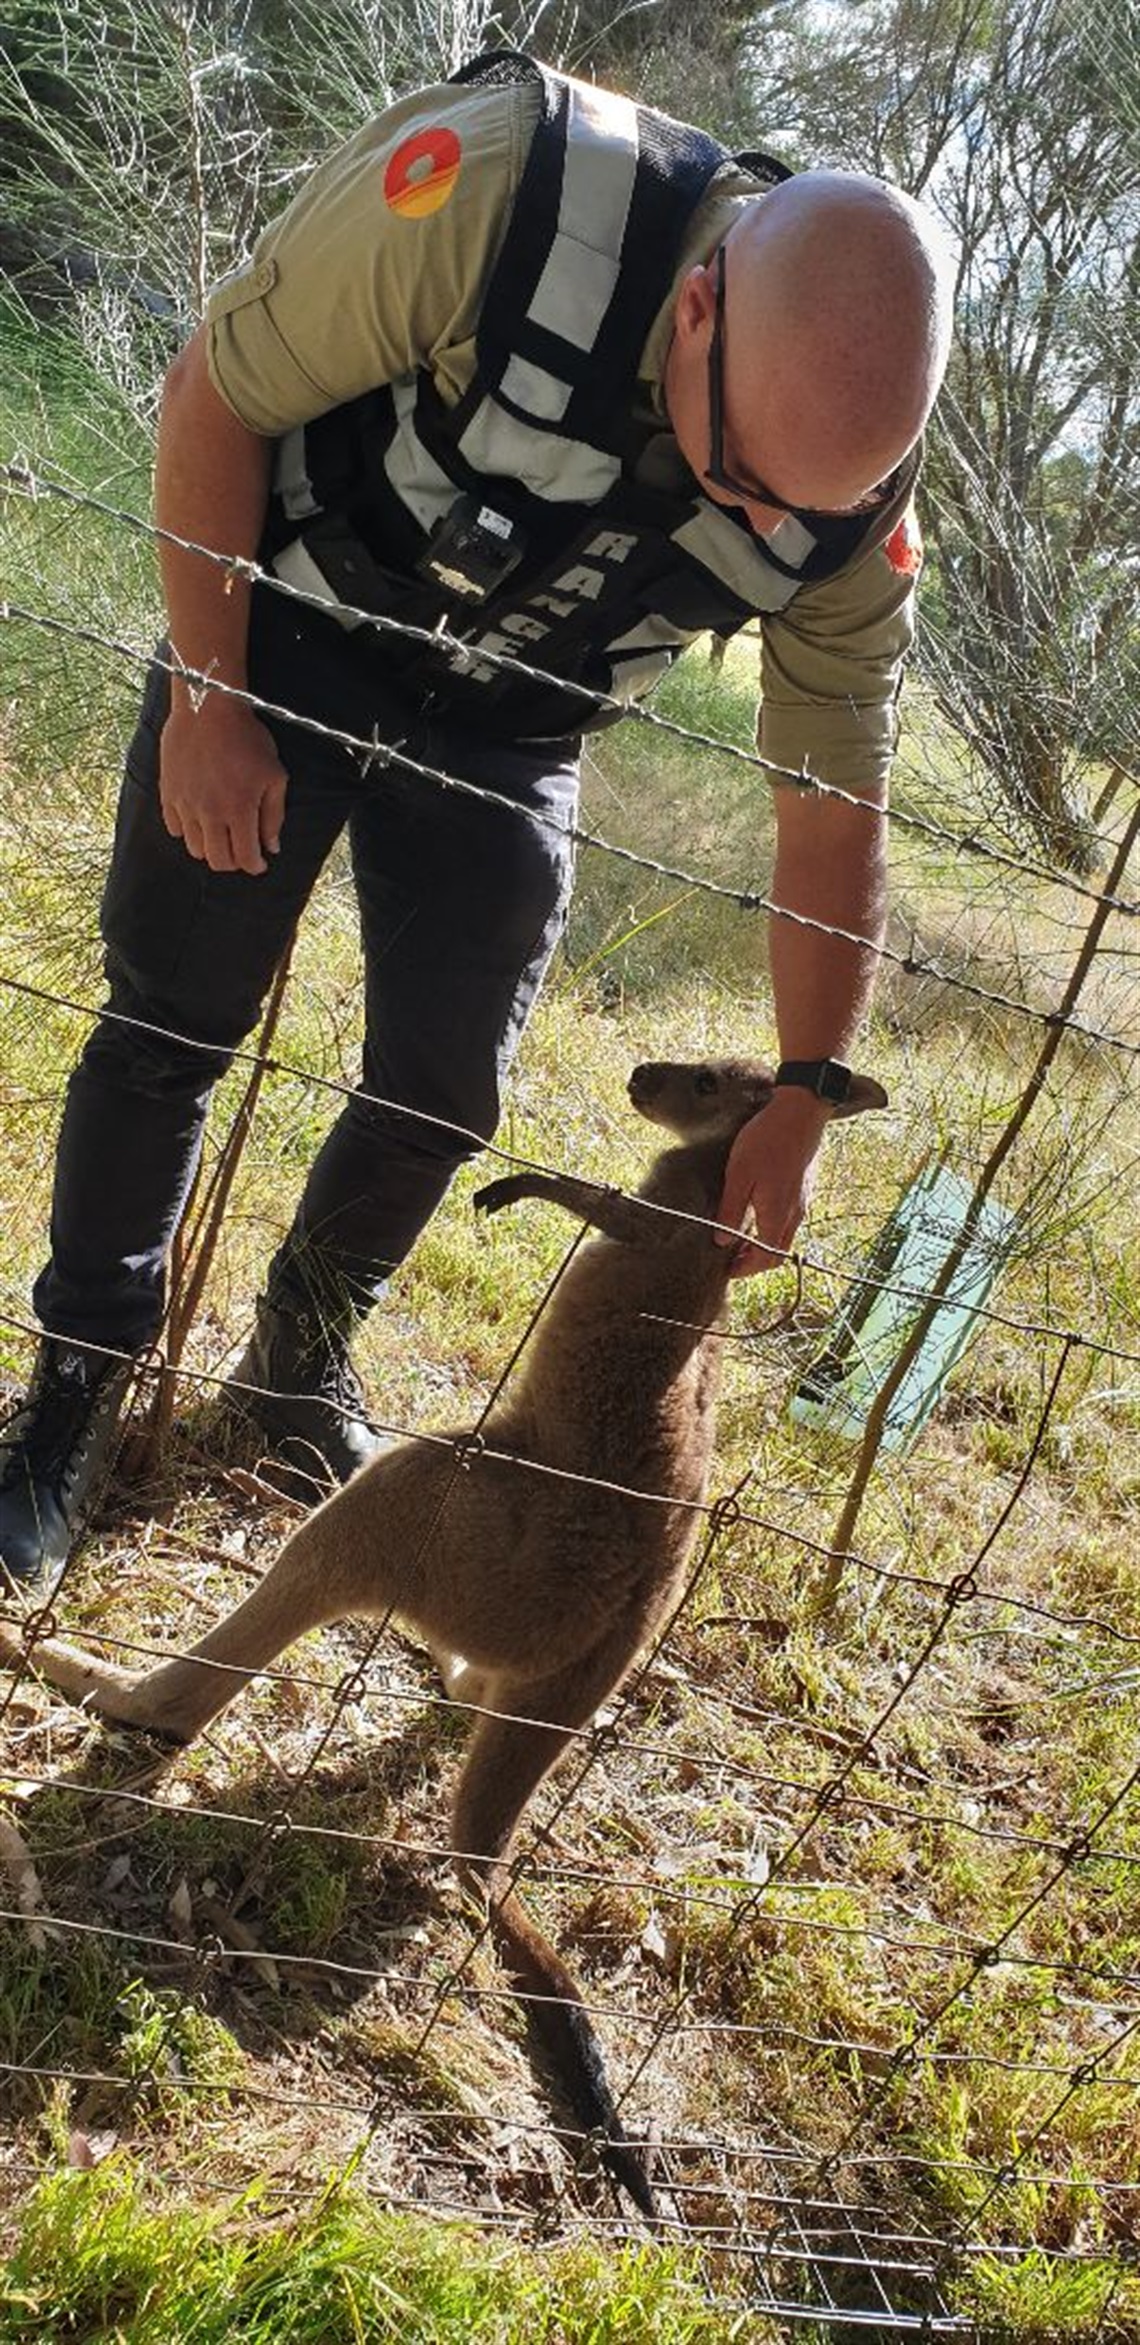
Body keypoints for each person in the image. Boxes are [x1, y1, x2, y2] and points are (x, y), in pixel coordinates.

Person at [0, 49, 954, 1594]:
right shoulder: (505, 188)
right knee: (176, 1012)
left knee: (447, 1081)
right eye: (742, 480)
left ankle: (296, 1352)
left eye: (799, 513)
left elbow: (832, 808)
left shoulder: (853, 487)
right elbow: (215, 395)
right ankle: (71, 1393)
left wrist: (800, 1095)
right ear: (699, 306)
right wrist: (211, 700)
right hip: (297, 616)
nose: (769, 528)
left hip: (513, 719)